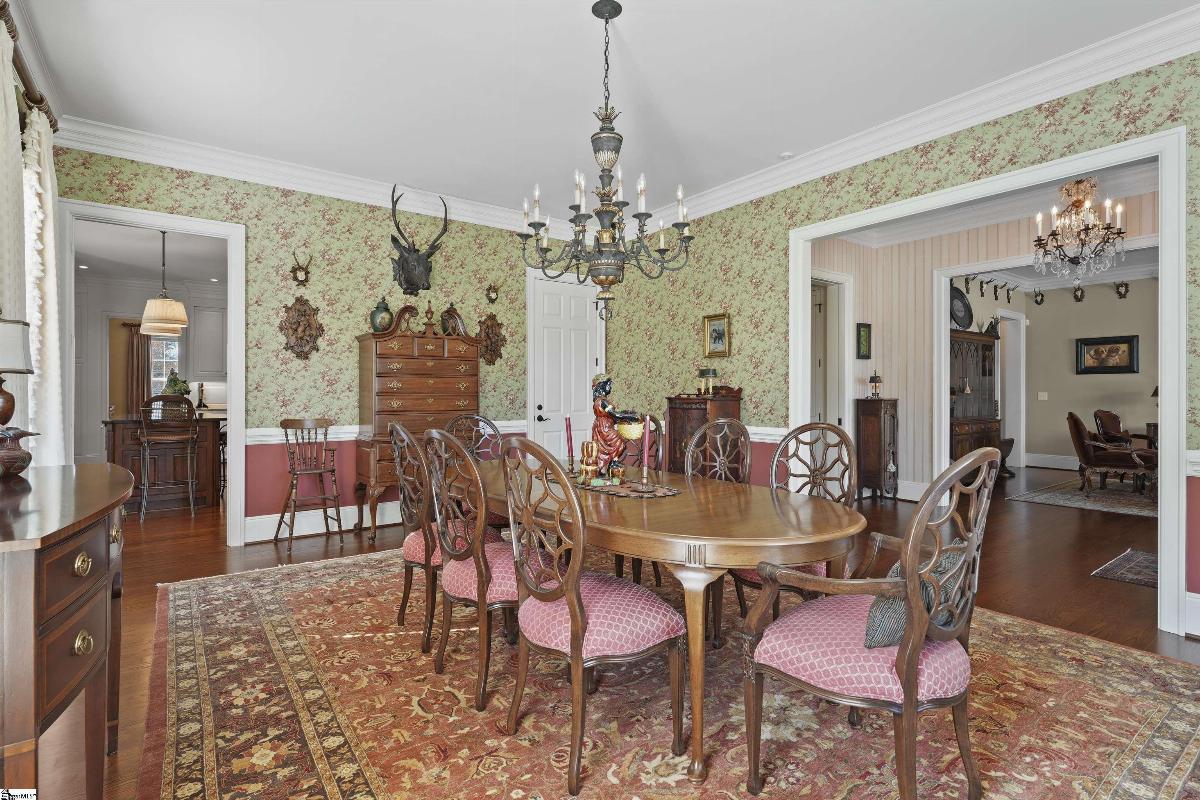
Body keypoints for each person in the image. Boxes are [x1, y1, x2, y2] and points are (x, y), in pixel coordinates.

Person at [590, 374, 640, 476]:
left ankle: (610, 464)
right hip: (604, 428)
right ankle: (612, 463)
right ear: (601, 385)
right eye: (608, 384)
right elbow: (615, 415)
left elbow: (613, 415)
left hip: (602, 426)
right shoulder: (602, 401)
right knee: (618, 440)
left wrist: (625, 415)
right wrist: (632, 417)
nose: (610, 387)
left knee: (609, 445)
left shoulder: (600, 400)